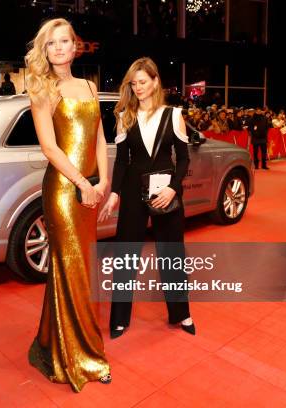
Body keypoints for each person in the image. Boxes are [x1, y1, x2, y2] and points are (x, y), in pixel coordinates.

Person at [25, 18, 112, 392]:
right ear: (44, 50)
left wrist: (103, 180)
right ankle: (84, 357)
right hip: (63, 190)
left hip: (90, 189)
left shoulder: (90, 85)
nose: (59, 48)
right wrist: (81, 183)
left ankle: (52, 343)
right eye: (52, 43)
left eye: (65, 41)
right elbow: (50, 147)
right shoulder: (42, 88)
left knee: (80, 269)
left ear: (76, 46)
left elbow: (98, 137)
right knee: (72, 267)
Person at [99, 57, 195, 339]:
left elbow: (184, 158)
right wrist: (114, 194)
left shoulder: (173, 115)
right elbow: (121, 162)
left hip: (166, 193)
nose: (138, 88)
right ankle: (119, 319)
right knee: (126, 256)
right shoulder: (124, 116)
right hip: (132, 191)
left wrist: (174, 188)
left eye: (143, 82)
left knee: (172, 256)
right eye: (134, 83)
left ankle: (182, 313)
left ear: (155, 82)